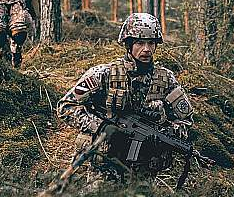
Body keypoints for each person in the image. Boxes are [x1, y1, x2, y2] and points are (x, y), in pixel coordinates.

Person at [57, 13, 193, 182]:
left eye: (151, 43)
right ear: (129, 44)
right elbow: (66, 107)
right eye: (140, 42)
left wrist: (167, 134)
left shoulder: (166, 79)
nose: (146, 49)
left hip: (144, 172)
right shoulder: (103, 74)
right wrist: (100, 127)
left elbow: (185, 121)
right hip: (105, 169)